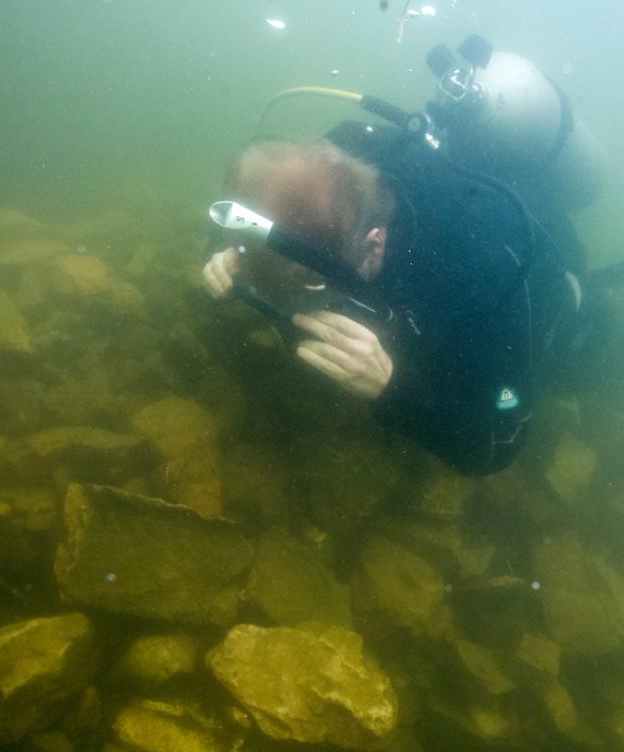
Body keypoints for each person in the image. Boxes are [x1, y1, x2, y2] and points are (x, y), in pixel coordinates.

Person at [202, 46, 599, 476]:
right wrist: (231, 255)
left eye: (310, 281)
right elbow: (250, 214)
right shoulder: (346, 149)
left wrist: (390, 388)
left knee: (584, 354)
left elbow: (499, 442)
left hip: (547, 282)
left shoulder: (481, 266)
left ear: (373, 244)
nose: (304, 297)